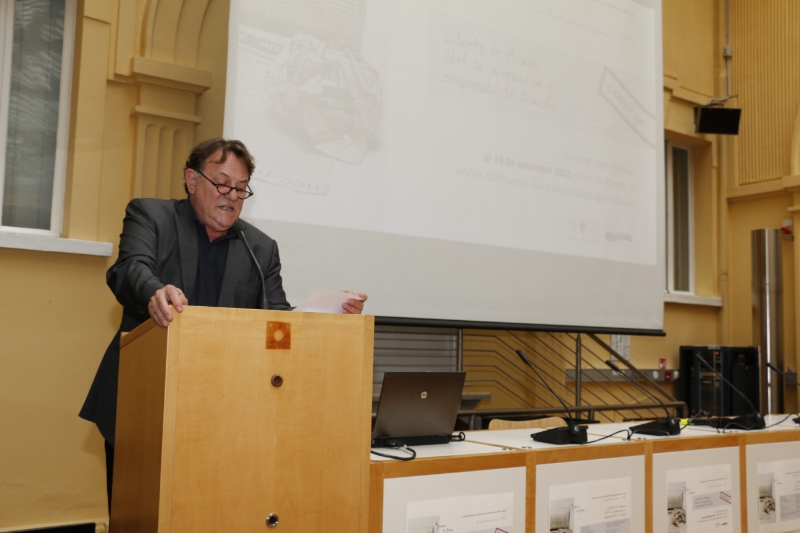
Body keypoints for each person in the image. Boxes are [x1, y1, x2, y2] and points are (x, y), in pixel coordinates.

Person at [79, 138, 366, 511]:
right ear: (192, 180)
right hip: (145, 400)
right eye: (222, 184)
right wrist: (154, 292)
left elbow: (277, 319)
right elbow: (129, 268)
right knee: (138, 514)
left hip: (224, 409)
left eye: (241, 188)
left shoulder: (259, 248)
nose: (231, 196)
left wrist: (328, 316)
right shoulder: (151, 216)